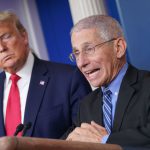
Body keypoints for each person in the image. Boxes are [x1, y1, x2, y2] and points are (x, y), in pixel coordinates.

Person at [0, 11, 92, 138]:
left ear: (24, 36)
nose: (1, 47)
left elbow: (86, 135)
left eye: (6, 37)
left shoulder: (68, 79)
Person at [65, 15, 150, 148]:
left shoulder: (147, 86)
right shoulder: (86, 105)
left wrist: (105, 141)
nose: (81, 62)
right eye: (76, 53)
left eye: (89, 49)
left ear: (119, 48)